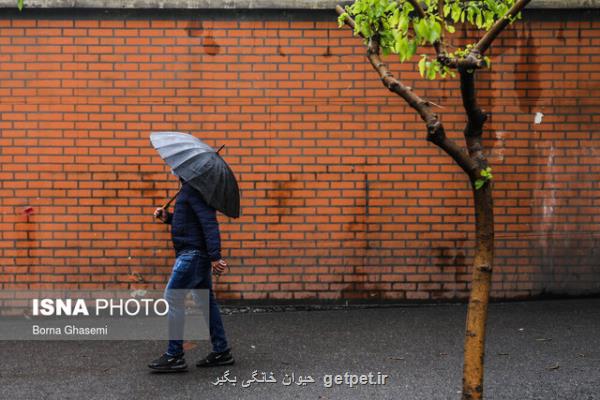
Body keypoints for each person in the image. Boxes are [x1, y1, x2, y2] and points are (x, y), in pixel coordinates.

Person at [148, 178, 234, 372]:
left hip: (193, 254)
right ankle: (221, 351)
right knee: (206, 301)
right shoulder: (188, 189)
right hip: (194, 253)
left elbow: (209, 223)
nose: (172, 169)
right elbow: (188, 222)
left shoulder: (195, 190)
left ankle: (174, 355)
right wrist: (168, 217)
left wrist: (215, 257)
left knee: (172, 296)